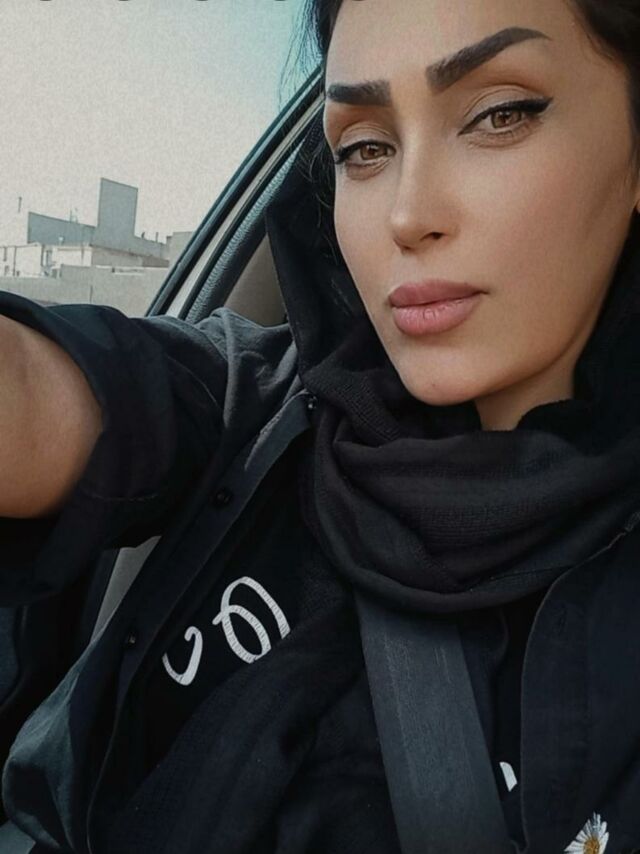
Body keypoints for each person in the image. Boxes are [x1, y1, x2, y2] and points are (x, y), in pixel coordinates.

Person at [1, 0, 640, 851]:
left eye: (500, 114)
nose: (408, 214)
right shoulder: (259, 407)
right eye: (364, 148)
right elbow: (39, 395)